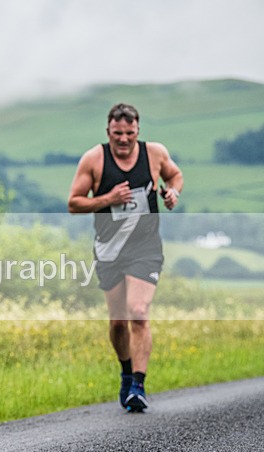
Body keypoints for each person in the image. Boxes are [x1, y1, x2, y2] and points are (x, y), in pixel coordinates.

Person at [67, 103, 183, 412]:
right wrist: (108, 199)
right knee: (118, 322)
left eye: (129, 134)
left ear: (137, 132)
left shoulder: (155, 153)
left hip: (145, 248)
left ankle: (138, 386)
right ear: (108, 132)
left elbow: (175, 176)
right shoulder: (94, 159)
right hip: (109, 250)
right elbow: (73, 203)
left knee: (139, 311)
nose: (123, 140)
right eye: (117, 134)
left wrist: (173, 192)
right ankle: (126, 372)